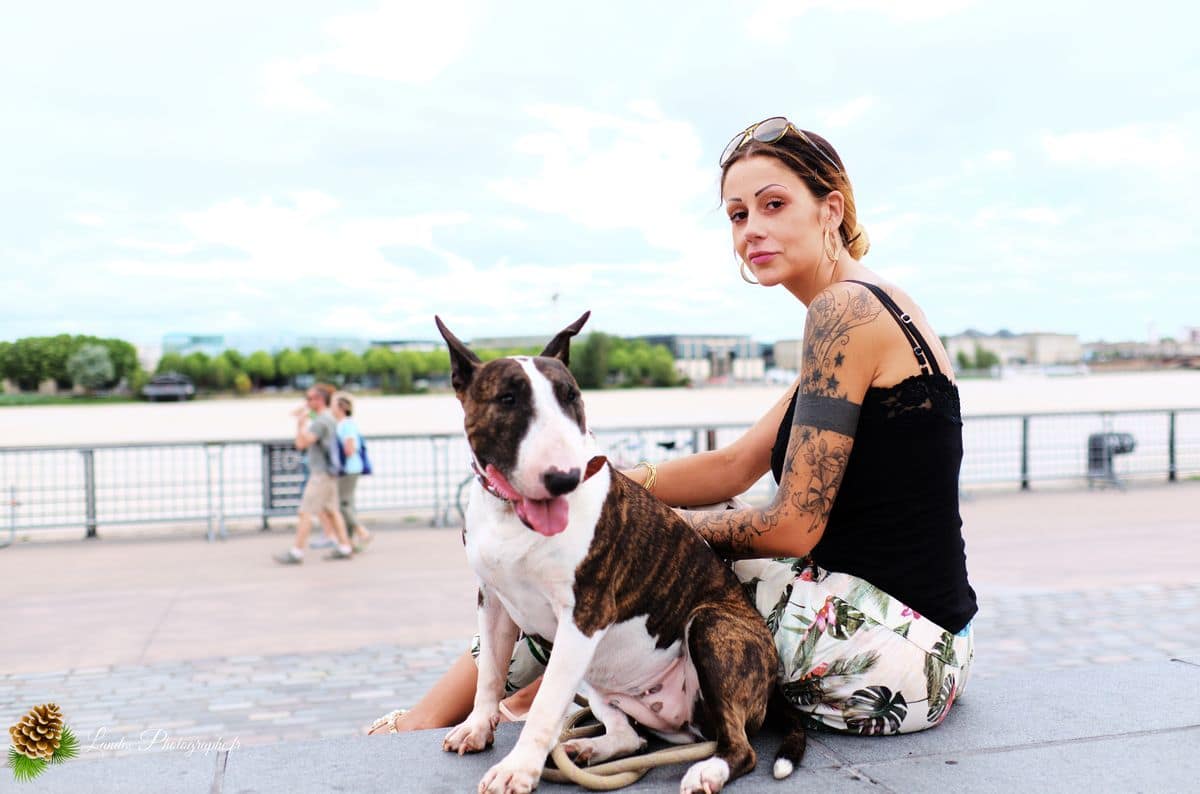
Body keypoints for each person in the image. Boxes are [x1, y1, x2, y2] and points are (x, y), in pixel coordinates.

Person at [368, 117, 976, 736]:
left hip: (893, 648)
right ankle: (490, 708)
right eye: (738, 215)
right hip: (927, 639)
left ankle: (443, 720)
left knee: (600, 566)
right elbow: (734, 466)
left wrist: (645, 529)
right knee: (590, 552)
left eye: (773, 204)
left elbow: (793, 526)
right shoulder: (872, 303)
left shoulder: (843, 311)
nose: (752, 230)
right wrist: (613, 486)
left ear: (830, 209)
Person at [274, 383, 355, 564]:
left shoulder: (320, 422)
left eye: (309, 398)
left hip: (320, 474)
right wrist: (304, 413)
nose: (306, 401)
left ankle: (296, 552)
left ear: (319, 400)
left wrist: (300, 425)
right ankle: (344, 547)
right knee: (333, 511)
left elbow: (301, 443)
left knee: (305, 512)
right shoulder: (328, 418)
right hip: (330, 472)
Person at [331, 391, 373, 553]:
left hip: (349, 468)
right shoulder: (344, 424)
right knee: (347, 503)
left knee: (342, 504)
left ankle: (360, 531)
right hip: (350, 468)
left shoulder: (346, 424)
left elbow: (350, 447)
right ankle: (349, 540)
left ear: (341, 407)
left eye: (333, 405)